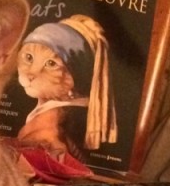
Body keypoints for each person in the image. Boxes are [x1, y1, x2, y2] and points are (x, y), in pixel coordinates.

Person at [15, 14, 117, 167]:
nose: (31, 74)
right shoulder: (73, 109)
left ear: (74, 73)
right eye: (28, 57)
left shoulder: (51, 118)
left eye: (51, 63)